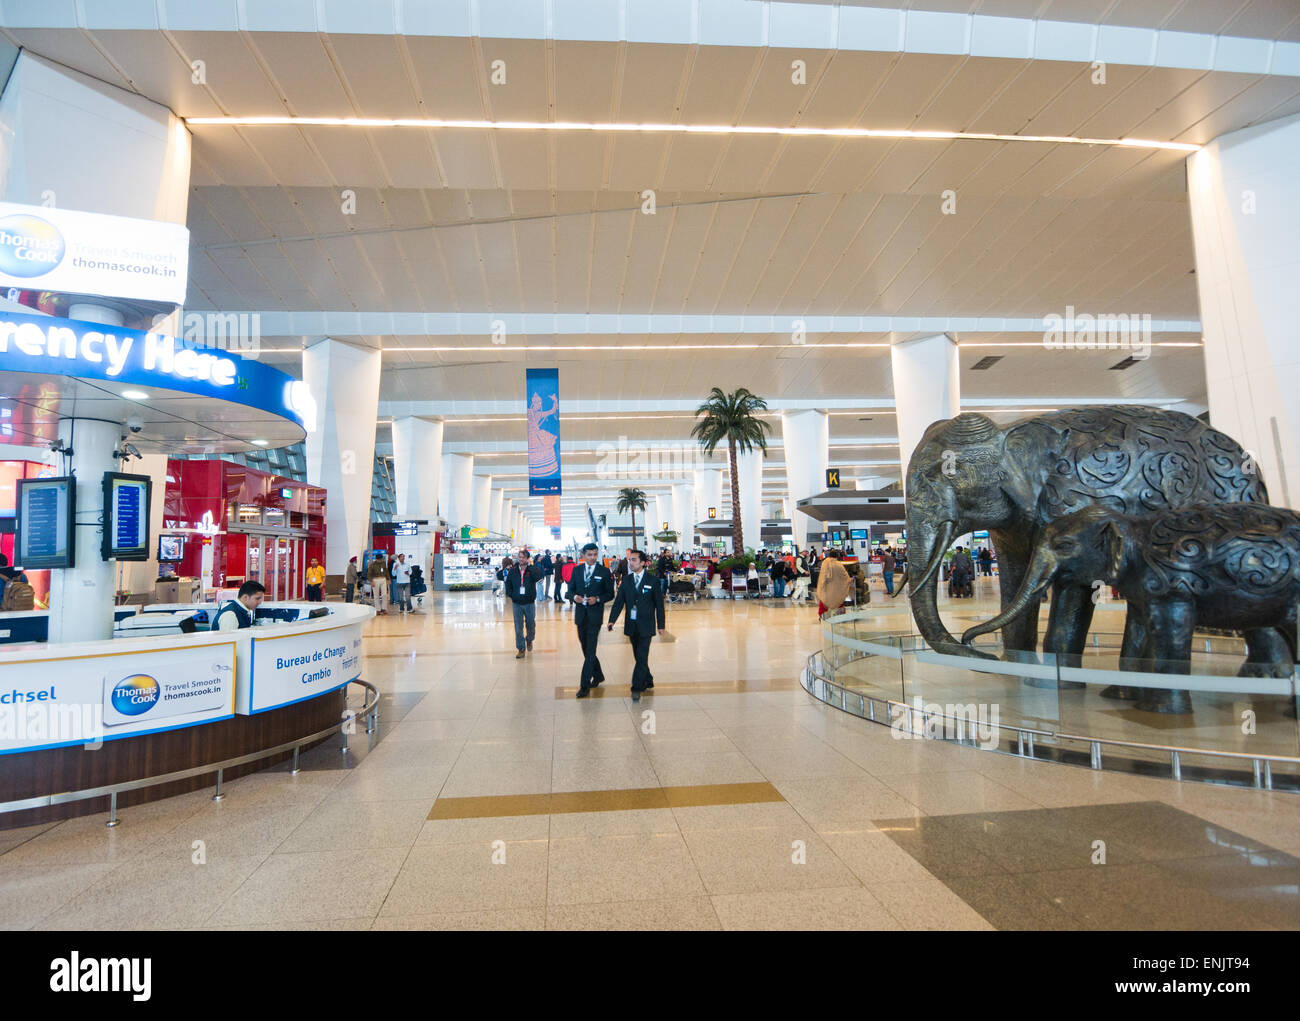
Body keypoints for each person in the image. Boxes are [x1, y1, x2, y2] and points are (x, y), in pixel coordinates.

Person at [607, 549, 666, 702]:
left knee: (641, 655)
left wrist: (661, 624)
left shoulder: (652, 581)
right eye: (629, 560)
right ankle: (648, 678)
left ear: (642, 563)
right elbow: (619, 602)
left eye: (633, 560)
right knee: (638, 656)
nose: (630, 563)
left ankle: (636, 687)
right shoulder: (626, 581)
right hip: (632, 625)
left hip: (647, 625)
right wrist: (612, 620)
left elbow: (659, 605)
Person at [569, 542, 615, 697]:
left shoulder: (604, 571)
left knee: (590, 650)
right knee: (585, 648)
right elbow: (569, 591)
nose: (593, 557)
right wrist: (575, 597)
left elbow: (610, 593)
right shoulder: (577, 570)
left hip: (595, 617)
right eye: (589, 555)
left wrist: (598, 598)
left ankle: (584, 685)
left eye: (595, 554)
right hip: (581, 616)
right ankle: (599, 674)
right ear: (584, 555)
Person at [505, 549, 542, 659]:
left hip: (529, 602)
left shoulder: (532, 570)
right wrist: (512, 595)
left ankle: (529, 640)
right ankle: (521, 648)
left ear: (527, 558)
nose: (521, 559)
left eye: (523, 557)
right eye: (520, 557)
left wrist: (531, 567)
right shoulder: (513, 570)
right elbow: (508, 584)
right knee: (518, 627)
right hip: (517, 603)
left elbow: (539, 578)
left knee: (531, 624)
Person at [816, 550, 851, 618]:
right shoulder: (839, 564)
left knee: (824, 601)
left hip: (826, 587)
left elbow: (822, 576)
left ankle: (822, 616)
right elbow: (845, 576)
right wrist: (849, 580)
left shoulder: (825, 563)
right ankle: (840, 616)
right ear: (837, 556)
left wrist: (821, 585)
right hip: (837, 588)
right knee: (839, 601)